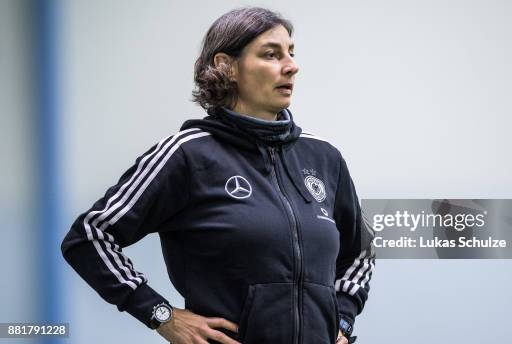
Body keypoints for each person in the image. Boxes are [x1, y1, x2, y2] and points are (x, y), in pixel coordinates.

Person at [61, 6, 375, 344]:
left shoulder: (323, 157)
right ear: (227, 66)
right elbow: (89, 236)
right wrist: (160, 314)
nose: (291, 66)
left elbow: (361, 250)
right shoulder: (187, 154)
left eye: (291, 53)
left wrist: (342, 320)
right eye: (271, 54)